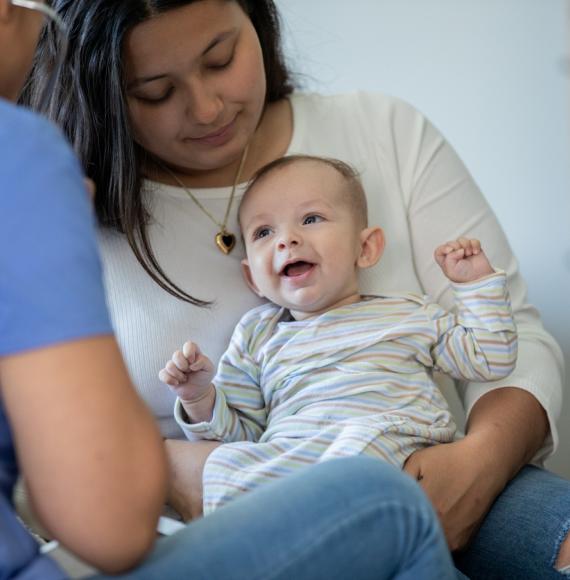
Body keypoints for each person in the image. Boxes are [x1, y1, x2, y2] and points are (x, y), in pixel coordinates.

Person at [21, 0, 570, 577]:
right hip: (224, 522)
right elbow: (36, 462)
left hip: (429, 466)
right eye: (155, 92)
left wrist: (478, 466)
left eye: (222, 58)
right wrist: (170, 463)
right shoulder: (61, 211)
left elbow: (510, 343)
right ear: (100, 92)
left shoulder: (382, 131)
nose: (207, 108)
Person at [159, 154, 518, 515]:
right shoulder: (257, 336)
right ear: (252, 277)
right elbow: (241, 435)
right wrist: (198, 397)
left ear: (365, 248)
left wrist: (475, 285)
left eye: (310, 219)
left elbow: (489, 358)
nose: (287, 240)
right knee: (225, 472)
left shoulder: (408, 313)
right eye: (264, 232)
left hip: (394, 445)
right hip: (295, 460)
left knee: (354, 458)